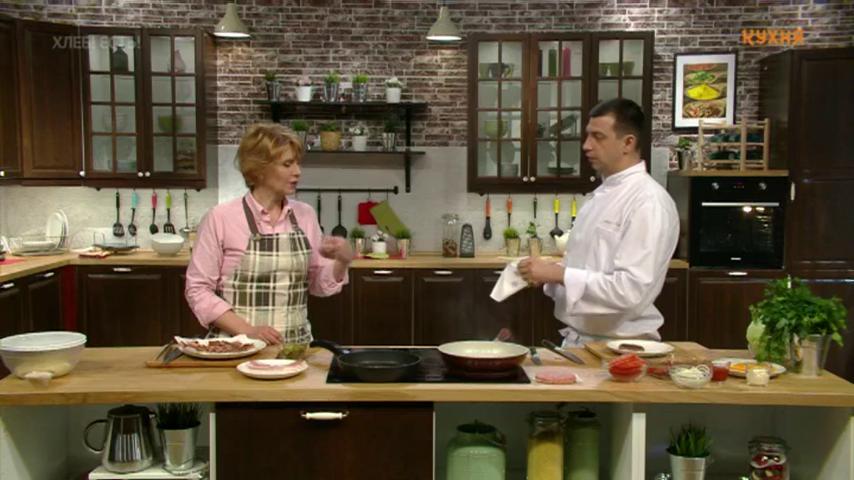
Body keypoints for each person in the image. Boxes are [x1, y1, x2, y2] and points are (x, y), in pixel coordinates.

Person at [517, 99, 679, 347]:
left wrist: (558, 274)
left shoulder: (648, 202)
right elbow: (590, 267)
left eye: (598, 137)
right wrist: (549, 274)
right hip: (583, 342)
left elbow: (630, 290)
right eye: (587, 136)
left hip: (621, 347)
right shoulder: (600, 196)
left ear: (628, 143)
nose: (586, 145)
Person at [185, 123, 353, 349]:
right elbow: (197, 290)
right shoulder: (220, 218)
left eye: (297, 163)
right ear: (259, 169)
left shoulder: (305, 215)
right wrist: (248, 331)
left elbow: (318, 285)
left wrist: (341, 261)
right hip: (235, 349)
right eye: (287, 164)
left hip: (293, 349)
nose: (297, 171)